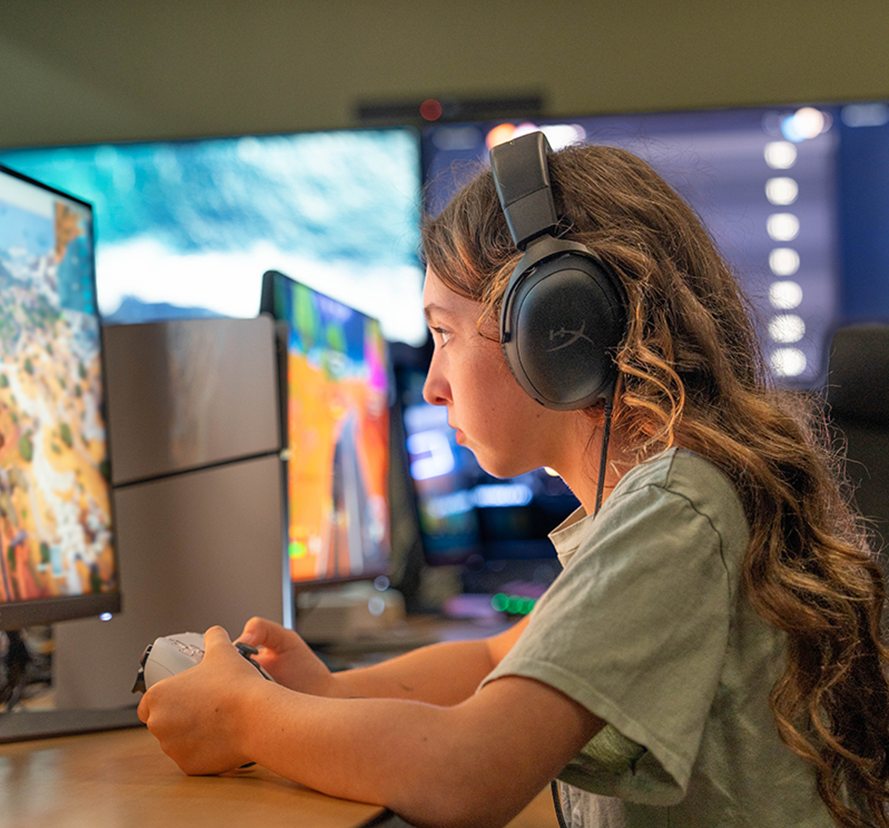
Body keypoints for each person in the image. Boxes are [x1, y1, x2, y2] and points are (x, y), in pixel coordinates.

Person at [137, 139, 889, 828]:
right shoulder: (670, 497)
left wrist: (247, 719)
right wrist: (328, 694)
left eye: (442, 332)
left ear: (559, 327)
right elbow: (496, 660)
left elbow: (470, 771)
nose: (430, 386)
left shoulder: (679, 507)